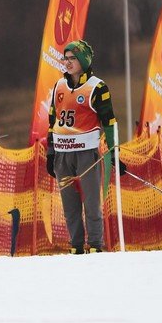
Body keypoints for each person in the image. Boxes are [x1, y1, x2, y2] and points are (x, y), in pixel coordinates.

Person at [45, 40, 121, 255]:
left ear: (84, 61)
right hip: (62, 154)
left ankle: (95, 244)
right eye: (66, 58)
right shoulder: (59, 86)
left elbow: (109, 122)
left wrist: (114, 152)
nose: (68, 62)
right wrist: (50, 153)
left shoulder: (97, 87)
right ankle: (76, 245)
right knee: (70, 205)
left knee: (91, 202)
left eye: (73, 58)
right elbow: (52, 120)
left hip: (87, 154)